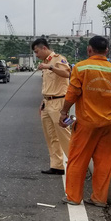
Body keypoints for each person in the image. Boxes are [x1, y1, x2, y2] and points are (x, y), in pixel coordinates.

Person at [58, 36, 111, 207]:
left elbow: (72, 93)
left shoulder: (81, 68)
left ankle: (73, 197)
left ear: (89, 49)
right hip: (110, 124)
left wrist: (64, 112)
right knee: (104, 162)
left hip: (87, 123)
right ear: (107, 51)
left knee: (78, 160)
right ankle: (99, 199)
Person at [31, 38, 72, 175]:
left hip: (59, 102)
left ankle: (76, 165)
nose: (36, 55)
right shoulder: (45, 63)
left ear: (44, 48)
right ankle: (57, 165)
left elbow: (67, 74)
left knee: (65, 135)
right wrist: (42, 102)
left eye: (37, 51)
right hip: (47, 102)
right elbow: (47, 85)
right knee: (50, 135)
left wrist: (51, 67)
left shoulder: (58, 59)